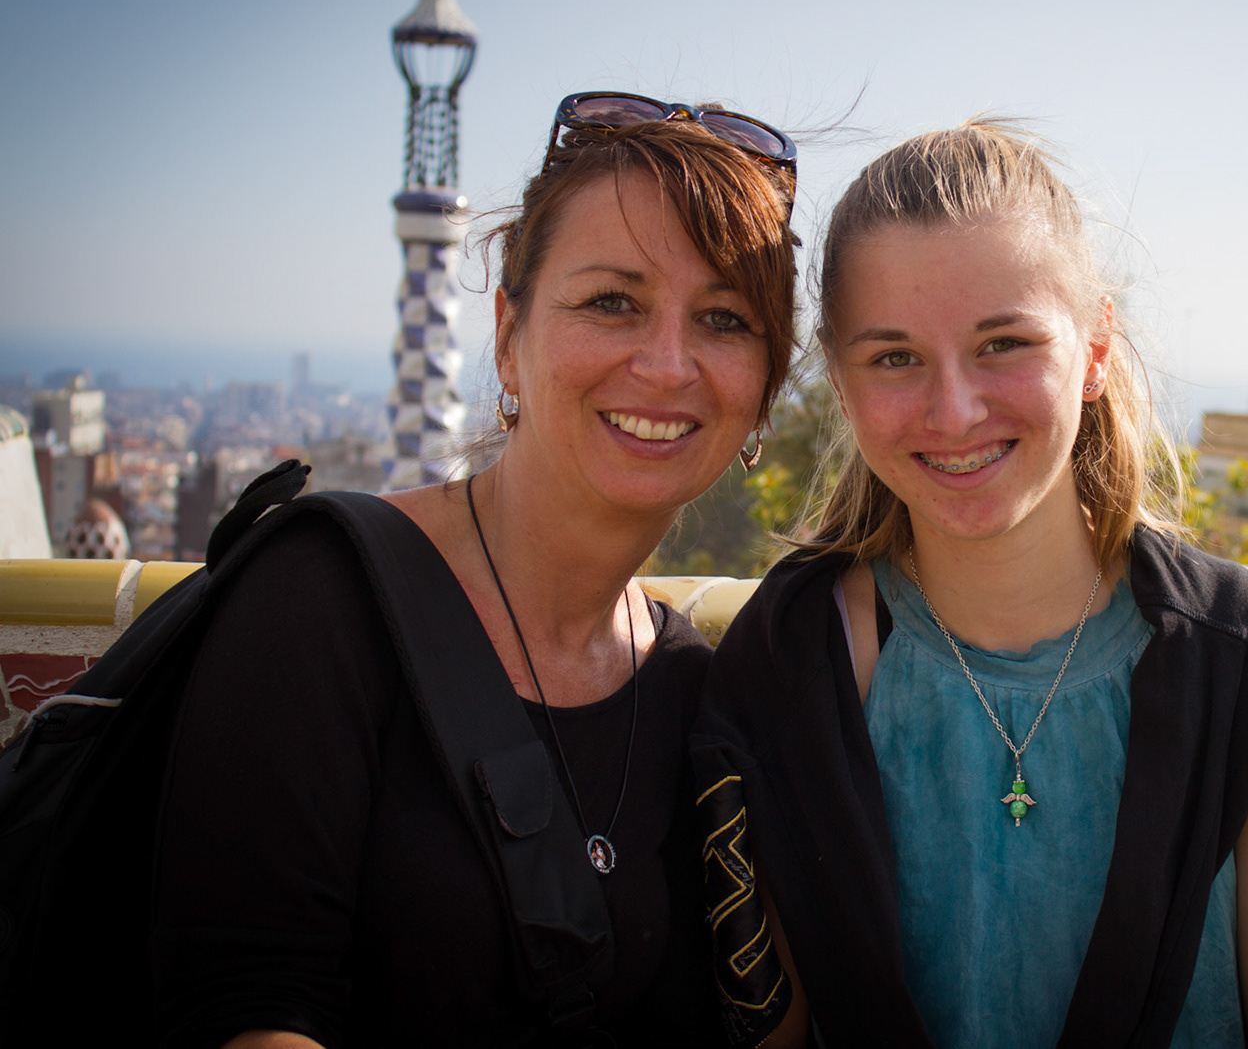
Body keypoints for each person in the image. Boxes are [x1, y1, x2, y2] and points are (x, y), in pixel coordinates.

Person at [695, 122, 1248, 1049]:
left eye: (1004, 343)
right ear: (842, 384)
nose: (955, 410)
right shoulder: (793, 664)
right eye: (894, 357)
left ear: (1095, 348)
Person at [150, 93, 799, 1048]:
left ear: (767, 386)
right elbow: (247, 1007)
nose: (668, 365)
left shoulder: (690, 686)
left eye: (724, 318)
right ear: (507, 335)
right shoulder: (323, 597)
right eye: (611, 302)